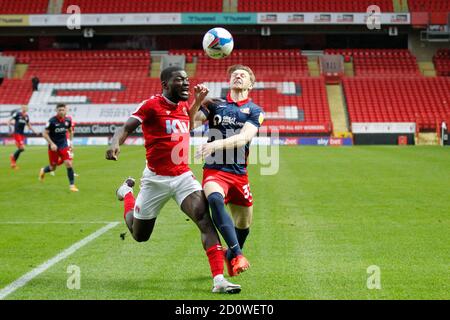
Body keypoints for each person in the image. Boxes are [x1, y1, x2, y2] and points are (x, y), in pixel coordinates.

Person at [105, 66, 241, 294]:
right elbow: (125, 127)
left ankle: (219, 279)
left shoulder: (183, 107)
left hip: (182, 177)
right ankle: (127, 194)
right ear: (166, 84)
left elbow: (187, 126)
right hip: (155, 180)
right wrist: (115, 143)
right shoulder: (151, 105)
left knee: (204, 220)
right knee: (140, 235)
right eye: (180, 80)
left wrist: (198, 101)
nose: (186, 83)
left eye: (187, 79)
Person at [190, 64, 264, 277]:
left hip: (239, 174)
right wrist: (196, 101)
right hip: (215, 170)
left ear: (251, 84)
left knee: (244, 224)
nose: (238, 76)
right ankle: (238, 254)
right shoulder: (214, 104)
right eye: (234, 74)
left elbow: (245, 137)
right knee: (214, 199)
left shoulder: (255, 110)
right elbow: (190, 124)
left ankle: (231, 257)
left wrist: (214, 145)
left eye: (243, 75)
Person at [39, 103, 78, 192]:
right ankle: (43, 170)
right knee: (53, 167)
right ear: (56, 110)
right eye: (59, 110)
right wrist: (52, 144)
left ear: (65, 110)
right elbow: (44, 133)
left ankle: (72, 186)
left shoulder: (68, 120)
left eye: (63, 110)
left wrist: (71, 142)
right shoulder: (52, 121)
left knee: (68, 163)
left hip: (63, 145)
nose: (61, 111)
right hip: (53, 147)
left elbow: (70, 131)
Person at [8, 105, 38, 169]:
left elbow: (29, 125)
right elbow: (9, 121)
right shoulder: (17, 114)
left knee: (21, 149)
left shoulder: (26, 117)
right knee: (22, 148)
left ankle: (13, 162)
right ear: (22, 108)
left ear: (27, 109)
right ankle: (12, 158)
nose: (24, 108)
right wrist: (10, 128)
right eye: (23, 107)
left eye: (26, 108)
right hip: (17, 134)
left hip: (21, 135)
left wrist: (34, 131)